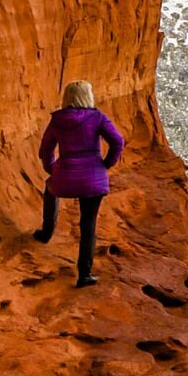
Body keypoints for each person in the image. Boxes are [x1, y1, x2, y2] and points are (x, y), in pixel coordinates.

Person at [37, 76, 122, 286]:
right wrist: (106, 164)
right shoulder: (98, 117)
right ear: (88, 96)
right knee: (88, 224)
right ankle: (84, 274)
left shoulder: (58, 119)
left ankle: (46, 232)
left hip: (65, 176)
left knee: (50, 189)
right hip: (93, 178)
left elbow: (45, 149)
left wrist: (52, 168)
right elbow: (117, 141)